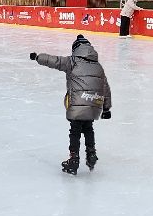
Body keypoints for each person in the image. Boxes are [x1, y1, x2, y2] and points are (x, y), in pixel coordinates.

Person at [30, 35, 112, 174]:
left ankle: (73, 158)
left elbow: (53, 60)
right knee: (88, 128)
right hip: (94, 104)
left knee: (75, 131)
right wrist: (106, 108)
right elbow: (106, 88)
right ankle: (91, 153)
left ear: (76, 49)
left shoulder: (72, 61)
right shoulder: (98, 66)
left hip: (77, 104)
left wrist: (38, 57)